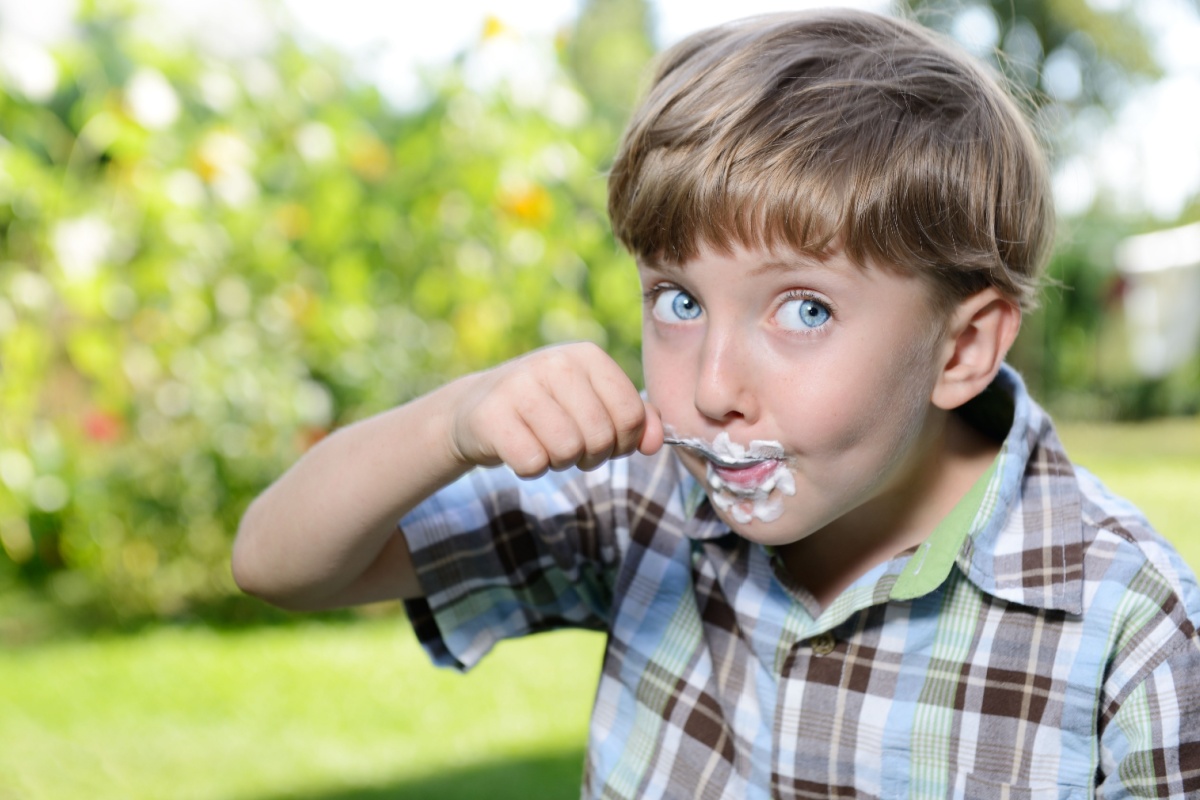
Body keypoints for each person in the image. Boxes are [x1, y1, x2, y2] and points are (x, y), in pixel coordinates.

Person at [232, 8, 1200, 797]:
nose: (711, 387)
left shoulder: (1128, 627)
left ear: (963, 346)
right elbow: (280, 561)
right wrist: (453, 421)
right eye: (679, 300)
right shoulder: (640, 498)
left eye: (805, 308)